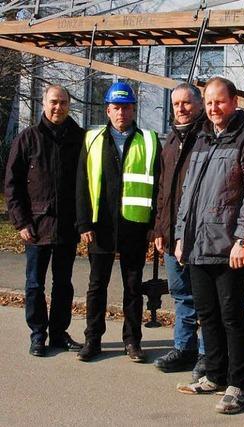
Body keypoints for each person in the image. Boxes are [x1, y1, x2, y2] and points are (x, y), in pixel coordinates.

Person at [174, 76, 244, 414]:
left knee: (232, 316)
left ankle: (238, 385)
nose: (214, 108)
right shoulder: (202, 137)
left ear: (235, 103)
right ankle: (214, 374)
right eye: (209, 102)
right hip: (197, 242)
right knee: (207, 314)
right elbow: (189, 193)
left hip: (229, 244)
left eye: (220, 101)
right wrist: (180, 235)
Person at [75, 81, 161, 363]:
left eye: (126, 107)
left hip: (134, 226)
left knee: (133, 287)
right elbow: (81, 184)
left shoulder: (149, 141)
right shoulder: (92, 139)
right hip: (100, 225)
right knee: (96, 285)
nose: (121, 112)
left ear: (133, 109)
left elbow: (157, 185)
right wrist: (84, 223)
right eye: (116, 108)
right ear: (108, 111)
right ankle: (92, 340)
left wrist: (153, 225)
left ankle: (132, 342)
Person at [4, 84, 85, 357]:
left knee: (63, 284)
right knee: (34, 284)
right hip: (36, 226)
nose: (58, 107)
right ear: (43, 103)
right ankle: (38, 334)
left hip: (67, 226)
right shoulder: (28, 138)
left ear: (69, 105)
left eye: (63, 102)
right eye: (54, 101)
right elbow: (12, 184)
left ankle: (59, 334)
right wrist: (21, 221)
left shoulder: (79, 138)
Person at [153, 83, 206, 380]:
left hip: (199, 235)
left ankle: (205, 354)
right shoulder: (171, 140)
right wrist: (159, 229)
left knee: (203, 297)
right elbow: (163, 191)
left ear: (198, 105)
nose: (181, 108)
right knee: (181, 294)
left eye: (187, 103)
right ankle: (183, 348)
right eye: (176, 104)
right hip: (171, 233)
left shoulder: (207, 137)